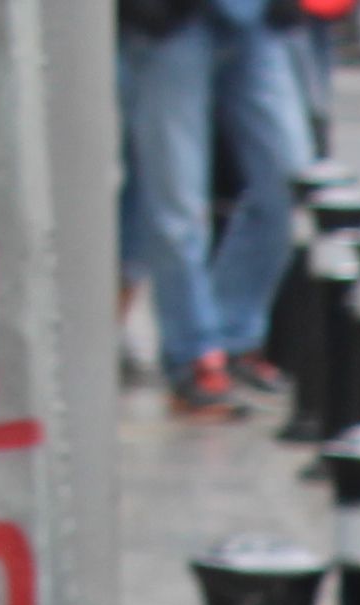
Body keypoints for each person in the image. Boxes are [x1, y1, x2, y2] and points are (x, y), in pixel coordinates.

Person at [118, 0, 316, 417]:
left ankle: (231, 334)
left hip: (257, 18)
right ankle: (194, 354)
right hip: (171, 25)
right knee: (175, 205)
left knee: (289, 182)